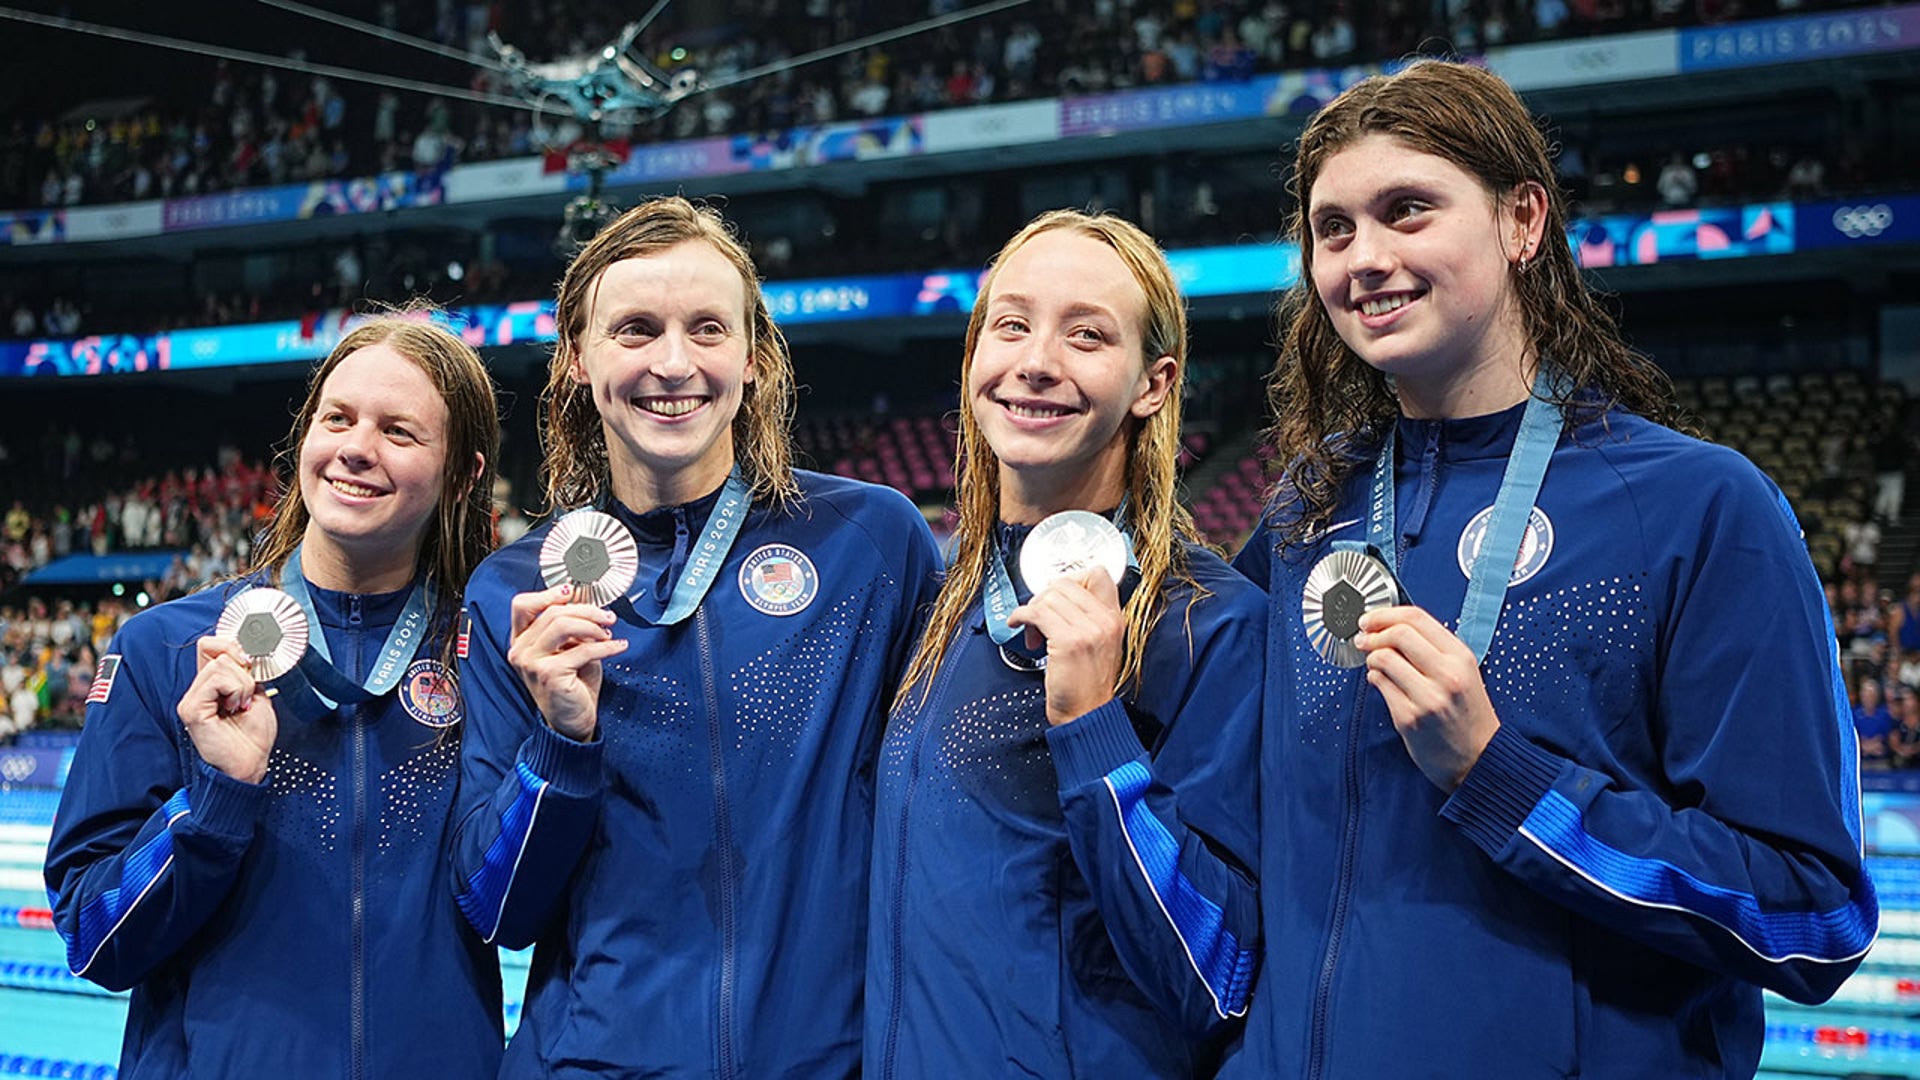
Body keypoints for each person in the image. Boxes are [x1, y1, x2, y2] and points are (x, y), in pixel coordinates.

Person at [1231, 60, 1876, 1078]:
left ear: (1522, 219)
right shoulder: (1305, 515)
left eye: (1408, 211)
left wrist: (1504, 777)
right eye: (1334, 228)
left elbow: (1811, 915)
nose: (1365, 258)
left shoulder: (1699, 508)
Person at [451, 196, 942, 1076]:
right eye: (635, 329)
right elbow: (498, 911)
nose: (672, 363)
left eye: (707, 329)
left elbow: (943, 815)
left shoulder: (873, 542)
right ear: (576, 358)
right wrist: (562, 744)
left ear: (752, 358)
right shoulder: (515, 594)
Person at [44, 317, 504, 1078]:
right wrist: (217, 799)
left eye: (398, 431)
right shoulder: (166, 648)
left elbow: (520, 908)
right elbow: (93, 938)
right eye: (338, 418)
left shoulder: (482, 655)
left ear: (461, 475)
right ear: (305, 439)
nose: (357, 447)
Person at [865, 211, 1264, 1078]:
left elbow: (1220, 973)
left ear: (1153, 385)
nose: (1036, 360)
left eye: (1087, 335)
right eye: (1011, 325)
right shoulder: (936, 609)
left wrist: (1094, 732)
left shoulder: (1210, 624)